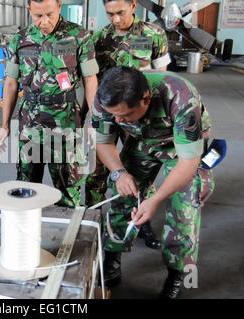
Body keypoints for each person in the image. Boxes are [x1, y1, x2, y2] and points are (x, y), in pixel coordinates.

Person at [92, 66, 214, 298]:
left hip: (181, 148)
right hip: (142, 140)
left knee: (185, 208)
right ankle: (112, 259)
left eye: (123, 116)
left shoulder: (181, 98)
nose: (117, 120)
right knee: (123, 196)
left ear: (146, 99)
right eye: (113, 114)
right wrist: (119, 173)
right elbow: (103, 141)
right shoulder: (104, 98)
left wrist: (155, 199)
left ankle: (178, 273)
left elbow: (188, 161)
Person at [84, 0, 172, 250]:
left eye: (120, 13)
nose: (115, 19)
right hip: (109, 116)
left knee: (142, 171)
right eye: (109, 13)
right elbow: (92, 82)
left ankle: (143, 220)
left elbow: (162, 80)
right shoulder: (99, 38)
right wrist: (88, 116)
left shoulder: (153, 35)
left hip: (142, 118)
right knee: (101, 170)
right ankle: (99, 222)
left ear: (133, 5)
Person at [0, 0, 99, 208]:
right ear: (29, 10)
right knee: (26, 188)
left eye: (50, 14)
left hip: (66, 122)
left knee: (68, 187)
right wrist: (5, 124)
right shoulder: (20, 39)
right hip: (30, 123)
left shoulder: (79, 36)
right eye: (38, 16)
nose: (45, 22)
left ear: (60, 6)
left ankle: (69, 237)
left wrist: (95, 120)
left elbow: (90, 80)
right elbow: (10, 83)